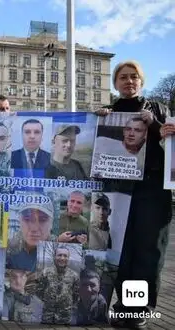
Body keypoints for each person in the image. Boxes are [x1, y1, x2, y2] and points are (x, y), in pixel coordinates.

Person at [95, 60, 171, 329]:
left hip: (152, 191)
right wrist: (98, 121)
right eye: (123, 77)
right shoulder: (108, 112)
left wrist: (156, 125)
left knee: (147, 252)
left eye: (134, 77)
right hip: (118, 190)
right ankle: (123, 306)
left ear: (141, 81)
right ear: (115, 83)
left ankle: (138, 310)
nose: (129, 81)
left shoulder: (158, 109)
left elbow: (169, 147)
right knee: (121, 251)